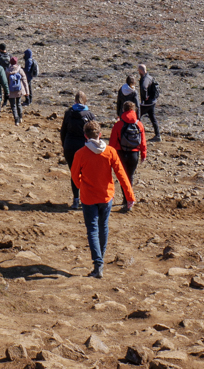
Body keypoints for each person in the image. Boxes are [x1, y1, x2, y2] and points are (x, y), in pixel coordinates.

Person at [71, 120, 136, 279]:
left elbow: (74, 175)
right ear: (100, 134)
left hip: (88, 198)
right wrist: (129, 197)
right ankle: (100, 259)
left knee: (92, 229)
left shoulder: (80, 154)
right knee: (103, 226)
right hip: (106, 197)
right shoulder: (110, 152)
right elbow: (122, 175)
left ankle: (98, 264)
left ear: (85, 136)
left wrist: (81, 185)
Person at [60, 92, 97, 210]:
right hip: (85, 147)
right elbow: (95, 133)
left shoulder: (68, 113)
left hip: (70, 146)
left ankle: (76, 199)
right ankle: (86, 199)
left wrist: (64, 145)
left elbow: (63, 132)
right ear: (85, 101)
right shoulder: (90, 115)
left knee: (74, 173)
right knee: (87, 174)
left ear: (75, 100)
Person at [110, 101, 147, 213]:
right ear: (134, 110)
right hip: (134, 154)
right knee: (130, 176)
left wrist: (110, 156)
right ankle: (127, 200)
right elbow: (143, 142)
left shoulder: (118, 125)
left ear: (123, 110)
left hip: (121, 153)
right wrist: (143, 154)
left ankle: (126, 200)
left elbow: (112, 142)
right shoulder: (139, 124)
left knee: (122, 177)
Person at [137, 64, 161, 141]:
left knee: (136, 116)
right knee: (153, 118)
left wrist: (145, 97)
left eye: (138, 71)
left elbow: (144, 88)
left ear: (140, 71)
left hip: (147, 103)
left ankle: (137, 134)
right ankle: (157, 135)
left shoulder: (145, 79)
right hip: (152, 102)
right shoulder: (150, 77)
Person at [5, 57, 28, 125]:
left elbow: (5, 81)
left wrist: (5, 91)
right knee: (18, 104)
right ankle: (20, 117)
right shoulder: (20, 70)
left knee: (13, 106)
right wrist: (27, 92)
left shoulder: (7, 71)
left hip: (11, 90)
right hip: (19, 90)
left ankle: (16, 120)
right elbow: (24, 80)